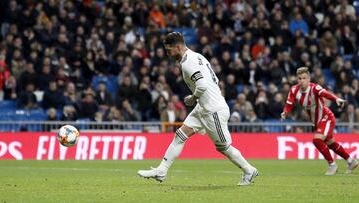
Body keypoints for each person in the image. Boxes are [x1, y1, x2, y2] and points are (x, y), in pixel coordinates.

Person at [138, 32, 258, 186]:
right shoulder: (197, 56)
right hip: (203, 107)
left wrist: (192, 98)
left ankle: (249, 170)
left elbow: (202, 85)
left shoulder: (189, 63)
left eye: (169, 50)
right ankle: (161, 171)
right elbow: (214, 79)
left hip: (213, 110)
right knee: (180, 135)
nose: (168, 54)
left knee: (224, 147)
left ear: (178, 47)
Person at [280, 67, 359, 175]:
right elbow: (289, 104)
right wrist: (285, 112)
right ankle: (351, 160)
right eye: (299, 78)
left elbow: (325, 93)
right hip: (317, 121)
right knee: (330, 143)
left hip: (326, 117)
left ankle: (332, 165)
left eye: (304, 78)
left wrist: (336, 99)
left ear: (309, 78)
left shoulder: (314, 88)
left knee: (317, 140)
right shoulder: (294, 90)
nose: (302, 81)